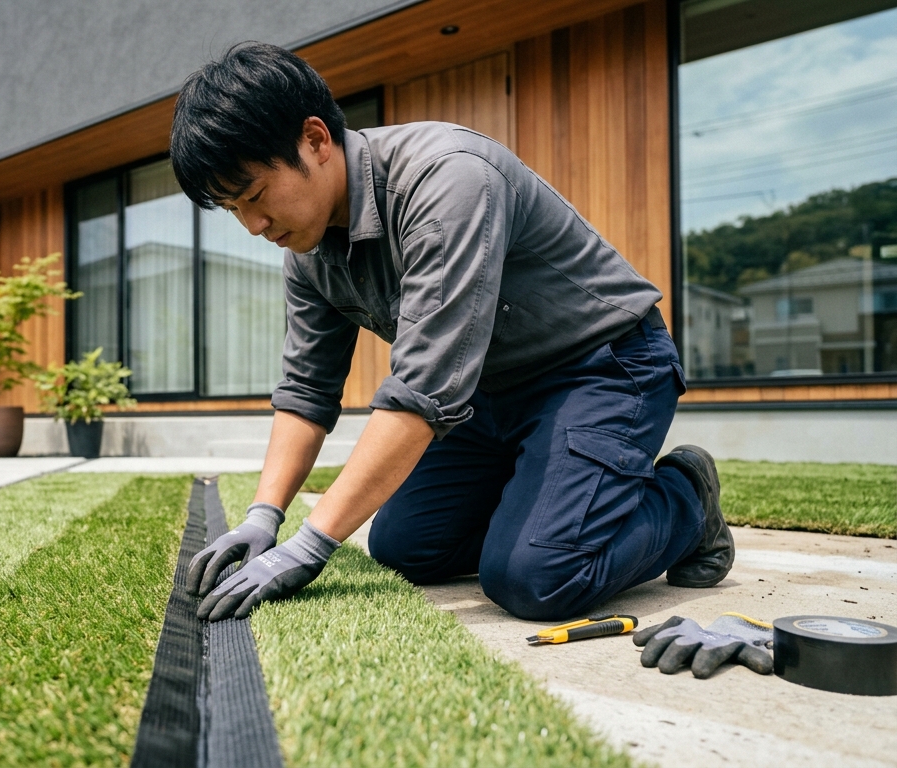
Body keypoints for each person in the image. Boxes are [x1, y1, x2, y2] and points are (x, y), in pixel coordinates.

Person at [169, 43, 733, 623]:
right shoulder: (308, 250)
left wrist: (309, 548)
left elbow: (421, 393)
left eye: (256, 195)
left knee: (536, 578)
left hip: (602, 368)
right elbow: (307, 392)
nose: (255, 226)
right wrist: (265, 515)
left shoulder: (446, 179)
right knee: (405, 549)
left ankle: (686, 496)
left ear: (315, 139)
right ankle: (545, 511)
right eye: (234, 209)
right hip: (487, 396)